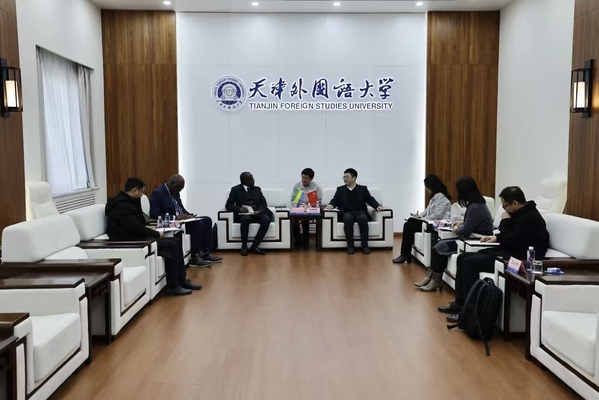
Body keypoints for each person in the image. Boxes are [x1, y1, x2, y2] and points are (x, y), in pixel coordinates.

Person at [439, 186, 549, 322]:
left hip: (514, 261)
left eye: (505, 206)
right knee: (462, 258)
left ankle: (470, 313)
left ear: (515, 203)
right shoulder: (522, 213)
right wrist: (497, 237)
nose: (503, 209)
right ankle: (460, 304)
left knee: (469, 263)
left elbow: (510, 240)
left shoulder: (528, 218)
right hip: (507, 253)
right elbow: (512, 236)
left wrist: (505, 221)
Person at [106, 177, 202, 297]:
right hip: (130, 240)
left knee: (176, 241)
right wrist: (155, 233)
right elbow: (136, 228)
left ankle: (181, 280)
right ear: (135, 190)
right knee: (172, 245)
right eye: (142, 191)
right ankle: (172, 286)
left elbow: (140, 223)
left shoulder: (131, 202)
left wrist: (150, 228)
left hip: (135, 236)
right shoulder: (122, 207)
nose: (142, 194)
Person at [418, 176, 493, 292]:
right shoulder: (476, 204)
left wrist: (456, 229)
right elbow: (473, 222)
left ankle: (436, 280)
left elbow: (466, 230)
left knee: (440, 247)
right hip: (470, 238)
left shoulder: (475, 207)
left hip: (474, 240)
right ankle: (431, 278)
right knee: (437, 245)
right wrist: (462, 222)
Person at [149, 174, 222, 268]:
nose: (180, 191)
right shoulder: (158, 193)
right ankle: (194, 257)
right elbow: (153, 214)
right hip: (172, 223)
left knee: (207, 220)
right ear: (172, 183)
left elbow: (180, 207)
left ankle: (205, 253)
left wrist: (188, 215)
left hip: (182, 220)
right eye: (179, 188)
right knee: (198, 224)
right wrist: (175, 217)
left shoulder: (175, 192)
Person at [392, 175, 451, 264]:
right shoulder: (435, 196)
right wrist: (419, 216)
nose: (426, 189)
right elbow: (428, 210)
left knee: (409, 226)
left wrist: (423, 219)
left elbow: (437, 215)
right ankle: (405, 254)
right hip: (428, 222)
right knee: (408, 224)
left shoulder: (441, 197)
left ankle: (405, 255)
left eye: (427, 187)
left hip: (435, 225)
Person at [325, 168, 384, 255]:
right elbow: (335, 200)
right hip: (346, 212)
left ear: (354, 178)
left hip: (360, 211)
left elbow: (369, 199)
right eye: (344, 177)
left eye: (347, 177)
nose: (345, 179)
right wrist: (331, 205)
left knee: (363, 218)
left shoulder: (362, 189)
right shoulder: (340, 189)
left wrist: (377, 206)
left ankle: (365, 246)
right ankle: (350, 246)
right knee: (348, 218)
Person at [226, 172, 273, 256]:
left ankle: (255, 245)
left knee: (266, 219)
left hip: (256, 212)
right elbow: (228, 205)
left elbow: (263, 203)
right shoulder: (235, 189)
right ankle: (244, 246)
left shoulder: (257, 189)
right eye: (251, 179)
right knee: (246, 219)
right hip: (244, 214)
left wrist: (259, 211)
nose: (254, 180)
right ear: (244, 181)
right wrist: (240, 209)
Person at [290, 168, 323, 249]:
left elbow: (319, 201)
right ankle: (298, 240)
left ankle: (306, 241)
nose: (304, 180)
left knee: (306, 219)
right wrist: (298, 205)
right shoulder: (297, 186)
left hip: (311, 209)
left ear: (311, 179)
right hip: (299, 209)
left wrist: (311, 204)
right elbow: (293, 201)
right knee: (294, 218)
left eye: (306, 178)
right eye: (303, 177)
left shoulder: (316, 187)